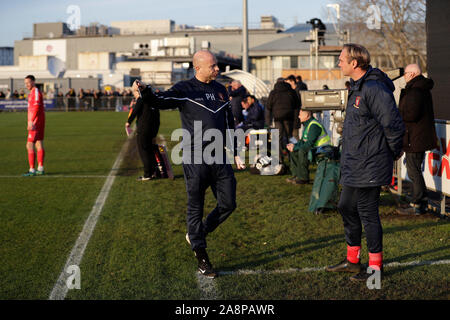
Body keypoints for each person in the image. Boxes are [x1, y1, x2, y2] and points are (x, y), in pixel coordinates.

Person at [132, 50, 245, 278]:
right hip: (195, 158)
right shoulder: (185, 88)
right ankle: (201, 255)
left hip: (219, 157)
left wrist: (235, 152)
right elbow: (159, 100)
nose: (217, 69)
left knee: (229, 203)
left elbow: (229, 122)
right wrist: (145, 91)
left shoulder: (221, 89)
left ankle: (198, 232)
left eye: (216, 66)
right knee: (196, 205)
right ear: (198, 68)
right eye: (213, 66)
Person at [326, 44, 404, 281]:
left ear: (355, 63)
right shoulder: (357, 87)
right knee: (345, 206)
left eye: (341, 59)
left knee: (367, 212)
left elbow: (393, 124)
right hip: (354, 163)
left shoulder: (374, 87)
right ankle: (352, 261)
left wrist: (391, 153)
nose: (338, 63)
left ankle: (375, 269)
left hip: (371, 163)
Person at [396, 64, 437, 215]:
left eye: (406, 74)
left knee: (413, 171)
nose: (404, 77)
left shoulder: (415, 91)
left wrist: (398, 116)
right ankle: (421, 202)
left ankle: (418, 203)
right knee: (415, 170)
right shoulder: (420, 88)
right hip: (417, 136)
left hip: (414, 137)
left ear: (412, 74)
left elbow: (411, 115)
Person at [286, 109, 330, 184]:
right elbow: (303, 141)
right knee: (294, 151)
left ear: (307, 115)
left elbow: (309, 144)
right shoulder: (307, 124)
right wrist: (294, 146)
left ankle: (303, 178)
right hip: (315, 148)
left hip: (322, 149)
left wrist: (295, 147)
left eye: (300, 114)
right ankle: (296, 176)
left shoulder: (314, 126)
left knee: (302, 151)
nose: (298, 116)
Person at [125, 94, 161, 181]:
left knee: (144, 152)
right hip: (152, 129)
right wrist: (155, 133)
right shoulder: (153, 100)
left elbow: (135, 111)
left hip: (143, 130)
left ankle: (148, 174)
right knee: (150, 151)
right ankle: (155, 172)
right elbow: (158, 118)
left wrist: (128, 122)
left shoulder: (141, 99)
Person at [265, 78, 301, 161]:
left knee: (278, 138)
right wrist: (296, 119)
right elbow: (297, 105)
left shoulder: (273, 93)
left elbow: (268, 106)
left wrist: (268, 121)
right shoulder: (291, 91)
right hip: (289, 118)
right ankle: (292, 157)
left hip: (278, 118)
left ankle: (279, 158)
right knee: (290, 137)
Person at [23, 75, 46, 176]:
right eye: (26, 83)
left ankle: (32, 169)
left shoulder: (35, 91)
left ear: (33, 82)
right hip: (38, 121)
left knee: (29, 144)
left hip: (36, 122)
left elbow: (36, 107)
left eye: (28, 82)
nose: (27, 84)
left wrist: (31, 121)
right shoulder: (32, 92)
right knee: (38, 143)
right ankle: (40, 168)